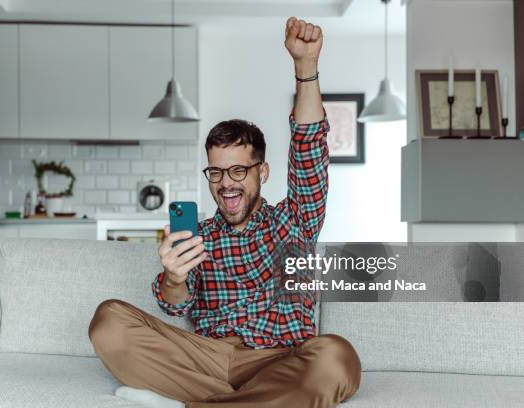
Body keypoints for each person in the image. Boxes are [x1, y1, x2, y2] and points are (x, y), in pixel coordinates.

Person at [89, 17, 361, 408]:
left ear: (262, 172)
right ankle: (250, 401)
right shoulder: (196, 236)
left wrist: (305, 67)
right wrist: (173, 275)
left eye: (238, 170)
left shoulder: (295, 220)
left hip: (281, 359)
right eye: (216, 171)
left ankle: (190, 400)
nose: (226, 183)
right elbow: (174, 304)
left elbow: (307, 148)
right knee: (109, 321)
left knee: (337, 356)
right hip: (206, 357)